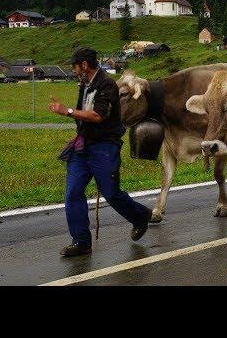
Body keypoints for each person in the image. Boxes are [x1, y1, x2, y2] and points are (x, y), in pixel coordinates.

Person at [48, 47, 152, 257]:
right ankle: (81, 242)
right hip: (82, 146)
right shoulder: (85, 84)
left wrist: (66, 111)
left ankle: (140, 216)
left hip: (104, 147)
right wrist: (79, 134)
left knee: (111, 193)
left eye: (75, 67)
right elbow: (84, 116)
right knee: (73, 192)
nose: (74, 71)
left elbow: (97, 116)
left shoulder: (107, 85)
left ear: (84, 65)